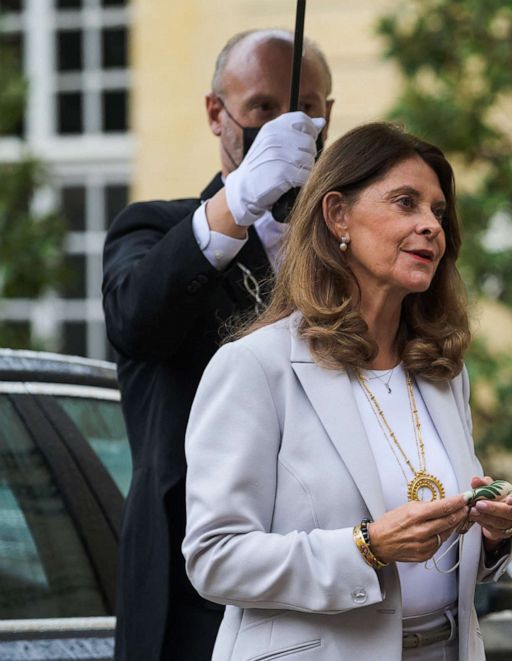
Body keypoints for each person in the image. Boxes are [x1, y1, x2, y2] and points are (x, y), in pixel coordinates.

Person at [181, 122, 512, 660]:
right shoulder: (256, 367)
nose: (430, 227)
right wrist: (364, 548)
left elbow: (451, 559)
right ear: (337, 215)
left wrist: (492, 531)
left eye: (438, 213)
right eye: (405, 203)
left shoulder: (442, 373)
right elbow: (215, 558)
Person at [102, 29, 332, 660]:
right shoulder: (155, 228)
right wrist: (240, 201)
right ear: (216, 113)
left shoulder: (342, 251)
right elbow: (136, 319)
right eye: (262, 108)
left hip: (328, 586)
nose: (288, 124)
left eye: (308, 109)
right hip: (191, 602)